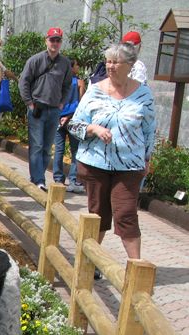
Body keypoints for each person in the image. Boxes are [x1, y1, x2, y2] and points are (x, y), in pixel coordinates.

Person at [67, 43, 156, 265]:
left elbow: (149, 130)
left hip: (129, 165)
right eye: (108, 61)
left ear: (130, 65)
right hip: (95, 163)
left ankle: (136, 268)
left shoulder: (144, 94)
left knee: (126, 214)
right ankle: (88, 264)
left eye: (116, 62)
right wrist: (93, 129)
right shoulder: (95, 89)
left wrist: (147, 158)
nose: (110, 66)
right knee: (98, 215)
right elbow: (74, 124)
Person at [19, 27, 72, 191]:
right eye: (52, 39)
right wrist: (29, 102)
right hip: (37, 108)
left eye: (58, 40)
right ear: (46, 40)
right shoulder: (35, 60)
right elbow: (24, 82)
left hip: (54, 109)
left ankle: (37, 177)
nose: (55, 43)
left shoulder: (65, 63)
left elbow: (67, 85)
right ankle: (39, 179)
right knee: (37, 144)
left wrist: (62, 102)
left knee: (47, 147)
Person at [53, 58, 86, 193]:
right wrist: (70, 116)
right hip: (73, 119)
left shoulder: (58, 81)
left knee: (59, 150)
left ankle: (58, 179)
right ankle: (73, 180)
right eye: (77, 65)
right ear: (72, 67)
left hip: (58, 118)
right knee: (75, 151)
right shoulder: (80, 82)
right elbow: (82, 103)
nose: (78, 68)